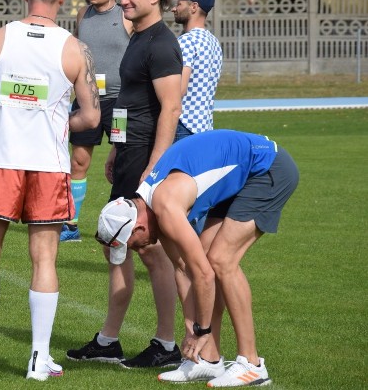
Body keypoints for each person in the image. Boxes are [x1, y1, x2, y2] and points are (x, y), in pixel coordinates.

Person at [0, 0, 101, 381]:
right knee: (45, 258)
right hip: (49, 165)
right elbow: (91, 117)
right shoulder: (74, 48)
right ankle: (39, 357)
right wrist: (54, 120)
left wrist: (6, 109)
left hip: (2, 160)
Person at [95, 129, 299, 387]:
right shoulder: (151, 208)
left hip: (267, 168)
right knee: (203, 259)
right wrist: (193, 332)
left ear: (138, 228)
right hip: (240, 176)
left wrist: (201, 330)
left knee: (221, 261)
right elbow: (183, 270)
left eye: (131, 245)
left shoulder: (166, 207)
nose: (136, 250)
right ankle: (209, 360)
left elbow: (203, 274)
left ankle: (252, 364)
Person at [67, 0, 183, 368]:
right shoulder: (138, 36)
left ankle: (167, 344)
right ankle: (108, 340)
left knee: (150, 251)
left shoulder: (162, 43)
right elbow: (131, 103)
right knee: (115, 244)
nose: (124, 0)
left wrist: (152, 174)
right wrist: (117, 147)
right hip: (129, 153)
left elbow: (170, 111)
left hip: (148, 162)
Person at [61, 0, 132, 242]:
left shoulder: (127, 16)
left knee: (123, 162)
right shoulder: (83, 15)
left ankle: (123, 225)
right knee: (78, 161)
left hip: (120, 103)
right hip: (86, 100)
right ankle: (70, 226)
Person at [172, 0, 222, 141]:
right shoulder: (214, 42)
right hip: (204, 126)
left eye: (179, 4)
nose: (174, 8)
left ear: (193, 7)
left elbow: (179, 89)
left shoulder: (186, 41)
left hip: (183, 124)